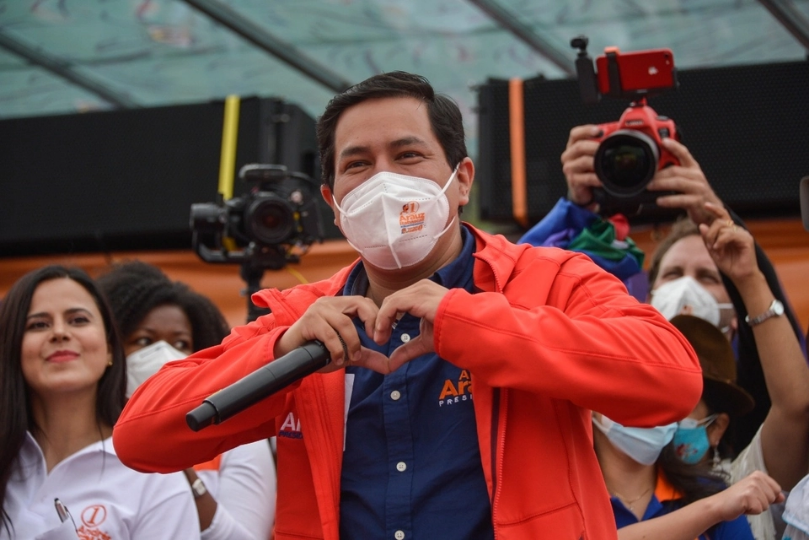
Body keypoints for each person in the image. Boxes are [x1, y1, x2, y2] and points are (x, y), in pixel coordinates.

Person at [113, 71, 703, 540]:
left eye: (408, 155)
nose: (383, 180)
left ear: (462, 180)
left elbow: (672, 379)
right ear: (333, 203)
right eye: (358, 164)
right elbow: (140, 438)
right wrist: (281, 349)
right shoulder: (300, 318)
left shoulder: (550, 278)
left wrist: (467, 321)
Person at [532, 124, 809, 538]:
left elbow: (794, 403)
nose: (657, 401)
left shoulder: (736, 494)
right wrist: (575, 209)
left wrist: (747, 275)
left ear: (715, 427)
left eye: (684, 393)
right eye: (639, 379)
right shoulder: (550, 492)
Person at [0, 265, 199, 540]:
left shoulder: (151, 475)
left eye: (78, 320)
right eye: (38, 324)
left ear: (109, 349)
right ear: (12, 348)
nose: (59, 333)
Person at [96, 260, 277, 540]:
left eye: (181, 344)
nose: (164, 354)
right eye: (144, 341)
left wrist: (181, 468)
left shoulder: (233, 436)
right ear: (110, 349)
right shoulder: (86, 432)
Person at [601, 314, 786, 540]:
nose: (650, 403)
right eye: (632, 385)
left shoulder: (718, 498)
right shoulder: (567, 496)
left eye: (666, 392)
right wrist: (710, 510)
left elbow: (794, 407)